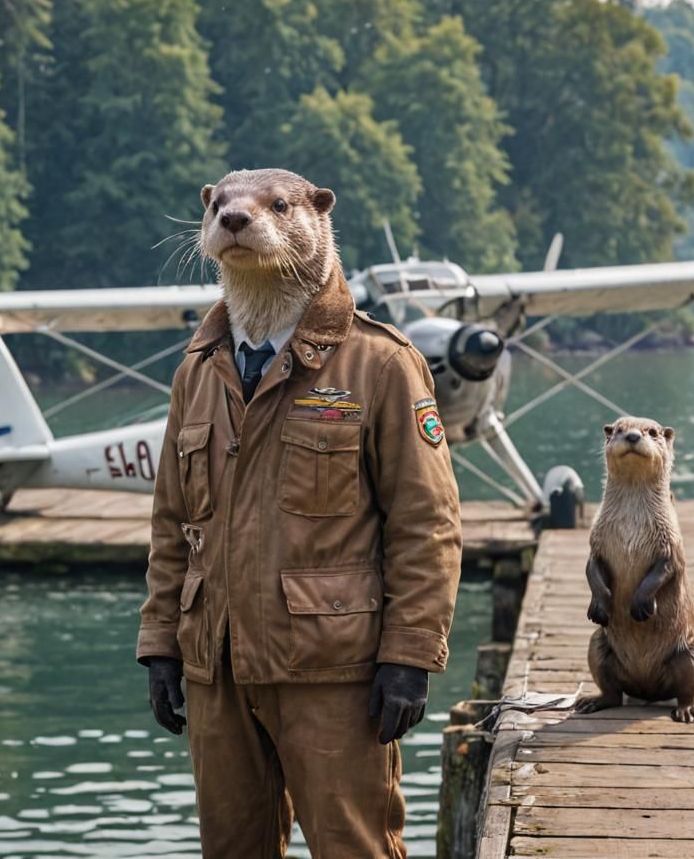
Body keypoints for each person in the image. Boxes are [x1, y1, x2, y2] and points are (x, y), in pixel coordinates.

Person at [136, 168, 462, 858]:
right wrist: (161, 643)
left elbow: (426, 523)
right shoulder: (197, 369)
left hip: (333, 673)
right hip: (217, 667)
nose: (236, 217)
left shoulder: (380, 364)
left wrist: (409, 656)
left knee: (355, 847)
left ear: (316, 218)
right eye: (221, 207)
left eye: (274, 208)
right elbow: (172, 524)